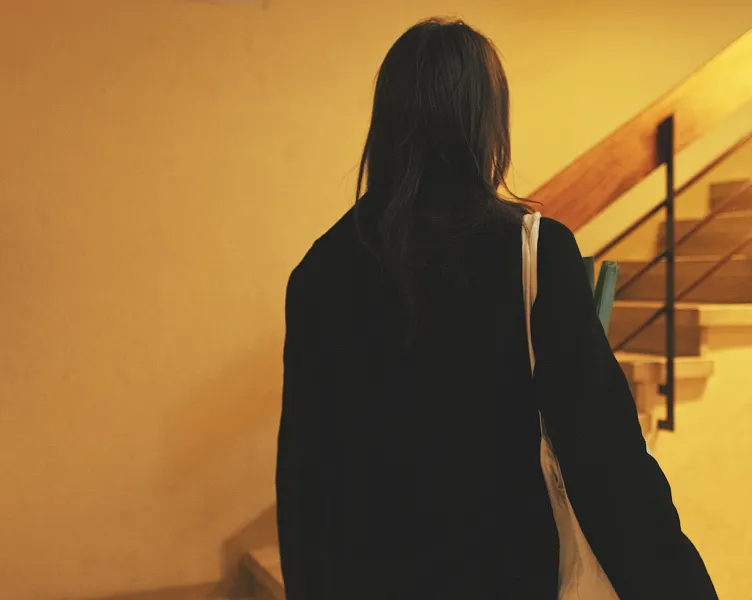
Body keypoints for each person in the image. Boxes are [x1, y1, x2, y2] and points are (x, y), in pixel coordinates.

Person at [276, 17, 716, 600]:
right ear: (483, 125)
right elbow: (607, 461)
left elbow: (305, 485)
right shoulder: (533, 252)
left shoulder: (319, 271)